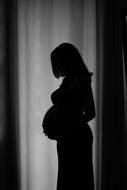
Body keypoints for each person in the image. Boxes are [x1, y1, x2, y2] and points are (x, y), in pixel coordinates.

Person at [44, 43, 96, 190]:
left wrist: (68, 127)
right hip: (67, 138)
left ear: (69, 59)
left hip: (77, 138)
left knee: (76, 180)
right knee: (67, 179)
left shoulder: (82, 80)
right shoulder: (68, 81)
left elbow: (91, 112)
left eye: (59, 60)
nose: (58, 65)